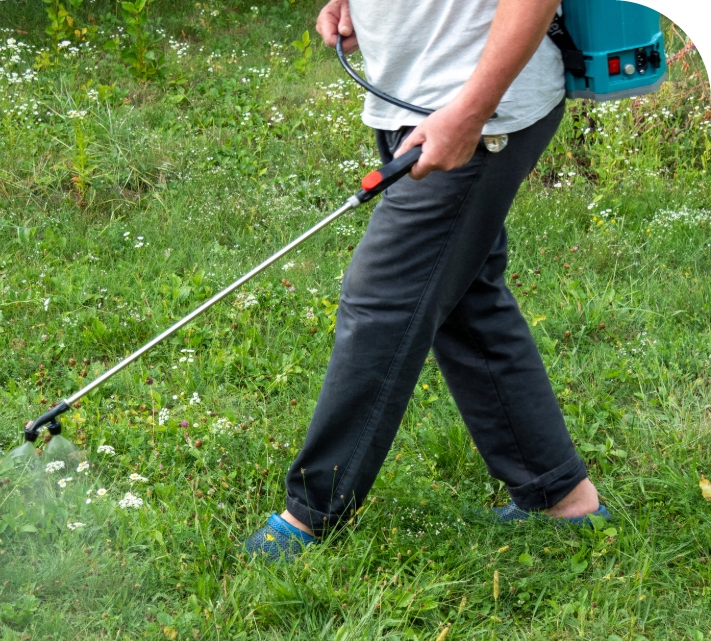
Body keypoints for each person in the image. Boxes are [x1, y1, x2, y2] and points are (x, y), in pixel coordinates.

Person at [245, 0, 610, 561]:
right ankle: (559, 495)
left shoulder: (472, 111)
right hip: (411, 101)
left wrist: (470, 111)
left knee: (383, 300)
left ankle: (312, 513)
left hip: (475, 108)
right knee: (466, 298)